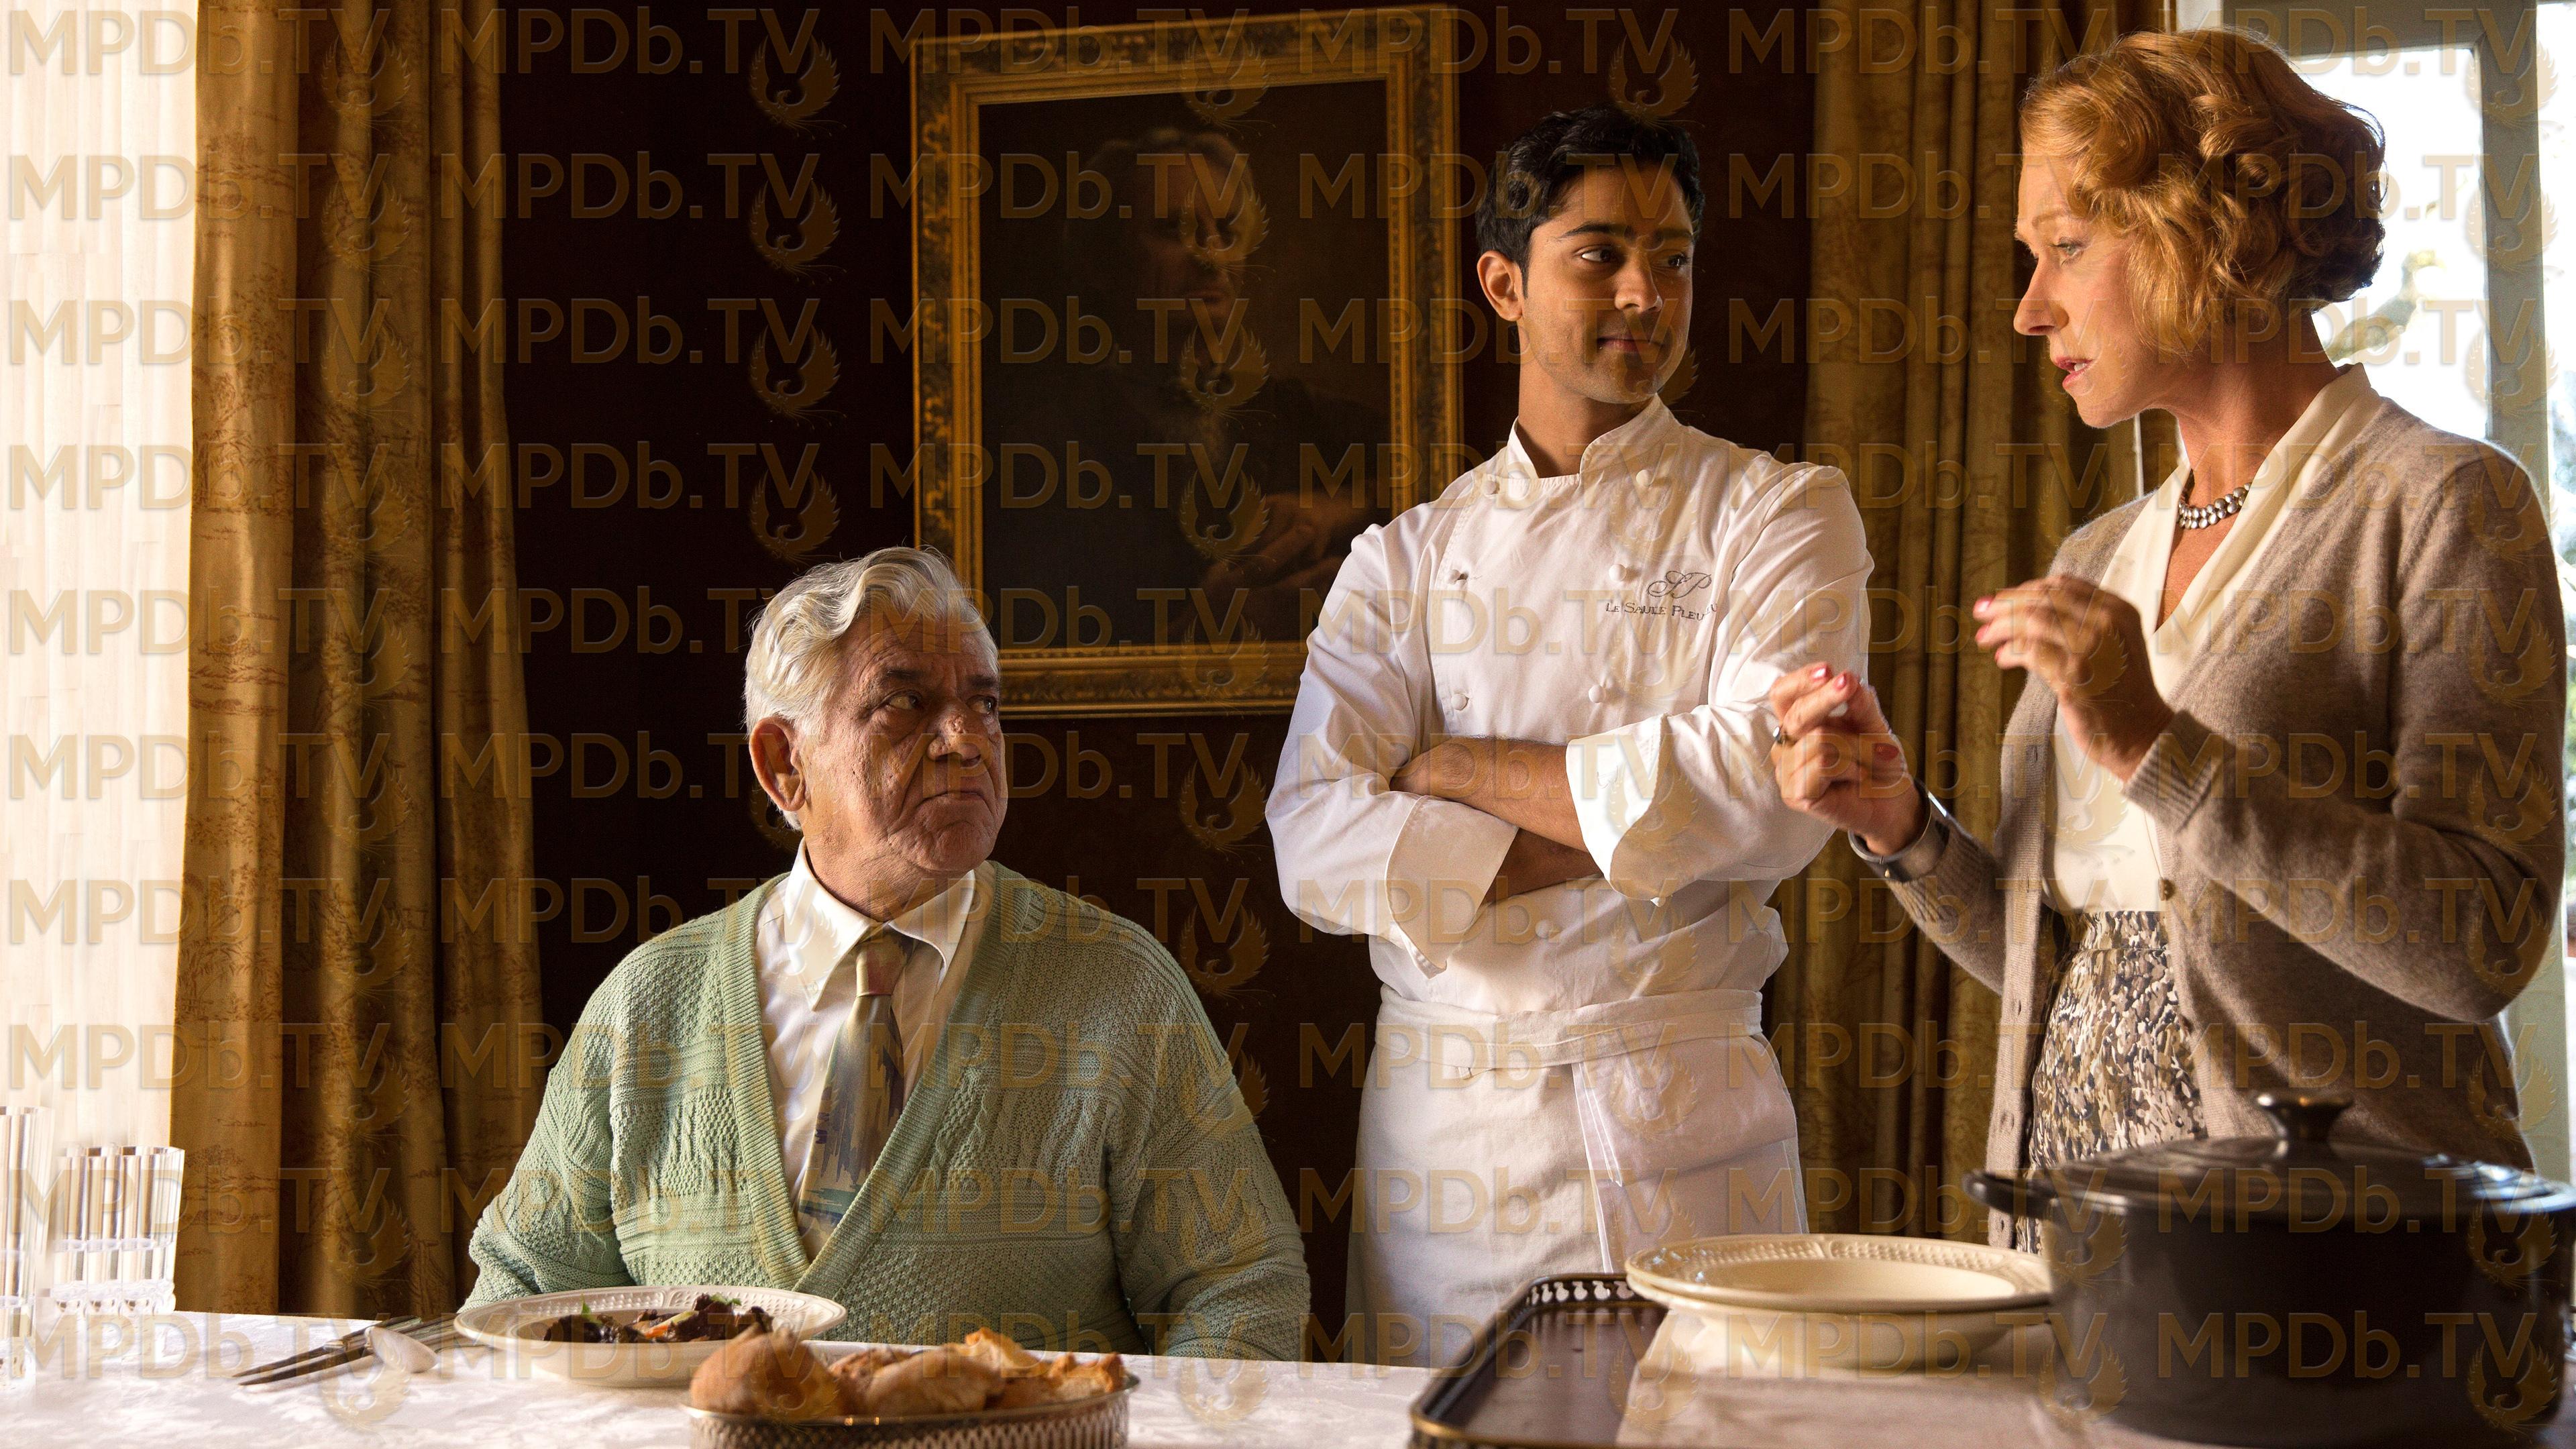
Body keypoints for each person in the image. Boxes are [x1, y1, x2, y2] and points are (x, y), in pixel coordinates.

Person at [1766, 30, 2563, 1248]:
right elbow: (2085, 967)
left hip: (2329, 1269)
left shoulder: (2445, 503)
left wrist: (2158, 747)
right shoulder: (2099, 554)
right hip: (2081, 1253)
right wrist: (1903, 828)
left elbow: (2480, 945)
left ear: (2205, 231)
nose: (2030, 308)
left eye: (2068, 248)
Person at [1267, 104, 1872, 1364]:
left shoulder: (1778, 514)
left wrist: (1458, 770)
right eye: (1601, 253)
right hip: (1449, 1149)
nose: (1647, 293)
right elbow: (1314, 843)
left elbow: (1772, 787)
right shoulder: (1403, 561)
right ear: (1504, 283)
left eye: (1675, 257)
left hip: (1685, 1127)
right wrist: (1647, 832)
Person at [466, 547, 1310, 1356]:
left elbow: (1241, 1288)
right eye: (905, 703)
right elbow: (523, 1298)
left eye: (985, 704)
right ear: (784, 765)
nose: (966, 739)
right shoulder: (645, 1006)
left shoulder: (1115, 987)